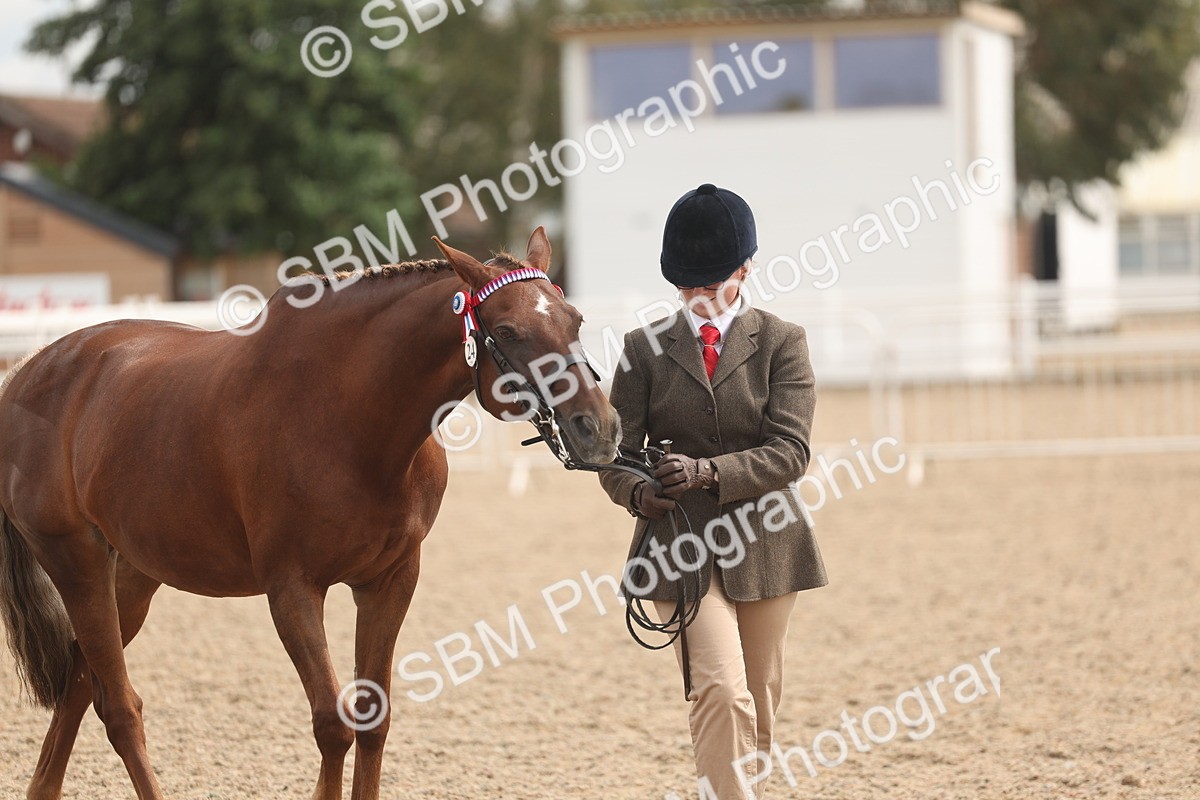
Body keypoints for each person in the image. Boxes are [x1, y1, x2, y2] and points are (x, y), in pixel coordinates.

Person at [599, 183, 827, 799]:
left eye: (711, 284)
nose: (699, 299)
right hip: (680, 546)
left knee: (760, 697)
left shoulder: (782, 342)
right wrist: (637, 493)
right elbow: (617, 456)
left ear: (744, 271)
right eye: (687, 287)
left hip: (768, 543)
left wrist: (708, 473)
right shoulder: (642, 351)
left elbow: (791, 452)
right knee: (720, 689)